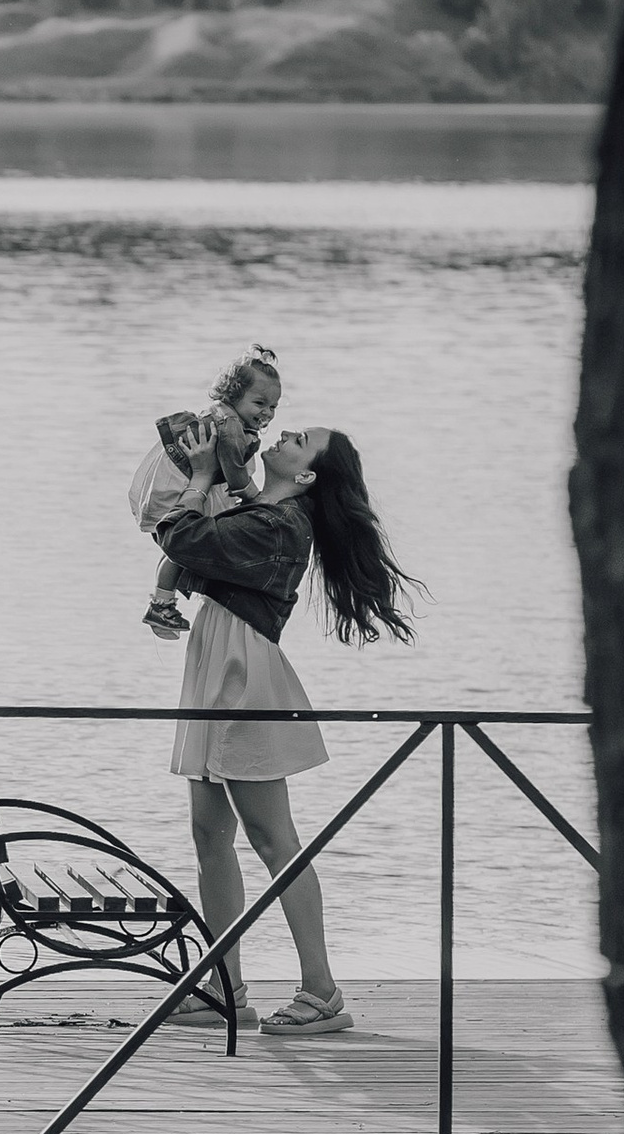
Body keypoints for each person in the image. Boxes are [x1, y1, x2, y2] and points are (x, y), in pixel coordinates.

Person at [145, 421, 416, 1040]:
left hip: (245, 682)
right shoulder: (255, 510)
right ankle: (225, 986)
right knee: (209, 834)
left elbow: (183, 538)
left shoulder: (277, 524)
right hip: (217, 672)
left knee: (273, 838)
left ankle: (321, 991)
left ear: (307, 475)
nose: (284, 432)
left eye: (298, 439)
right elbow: (194, 552)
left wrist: (203, 474)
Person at [136, 347, 280, 638]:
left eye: (273, 407)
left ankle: (164, 601)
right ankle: (161, 605)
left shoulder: (226, 418)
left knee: (185, 548)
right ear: (232, 395)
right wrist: (255, 497)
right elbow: (235, 472)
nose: (266, 413)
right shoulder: (228, 427)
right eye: (259, 403)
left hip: (184, 483)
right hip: (182, 487)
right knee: (183, 549)